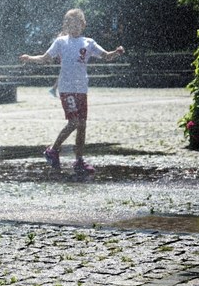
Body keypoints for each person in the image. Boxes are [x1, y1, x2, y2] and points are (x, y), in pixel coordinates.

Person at [19, 9, 124, 174]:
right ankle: (53, 150)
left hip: (81, 89)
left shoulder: (89, 43)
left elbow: (105, 56)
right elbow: (46, 57)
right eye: (70, 24)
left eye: (77, 23)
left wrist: (116, 53)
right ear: (66, 26)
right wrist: (30, 58)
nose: (73, 27)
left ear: (83, 25)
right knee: (74, 122)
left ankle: (79, 160)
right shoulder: (61, 42)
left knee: (82, 125)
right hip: (67, 88)